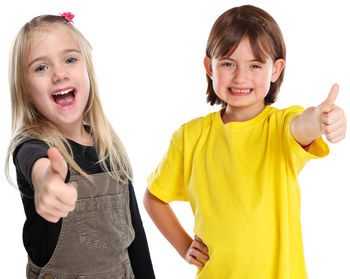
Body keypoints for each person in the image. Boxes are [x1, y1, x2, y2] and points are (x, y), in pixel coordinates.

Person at [144, 5, 346, 279]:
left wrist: (322, 119)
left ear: (275, 70)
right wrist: (184, 247)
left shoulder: (281, 126)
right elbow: (154, 197)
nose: (241, 76)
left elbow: (303, 125)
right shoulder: (189, 137)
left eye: (255, 65)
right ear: (209, 67)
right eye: (228, 63)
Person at [5, 13, 155, 279]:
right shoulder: (31, 147)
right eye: (41, 67)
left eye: (70, 59)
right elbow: (36, 165)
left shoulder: (111, 148)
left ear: (87, 69)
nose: (59, 74)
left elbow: (136, 240)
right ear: (26, 89)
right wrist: (45, 182)